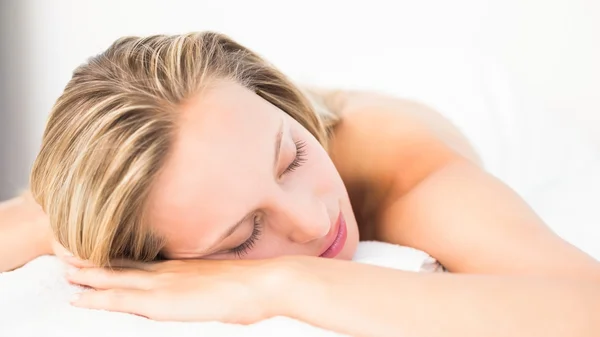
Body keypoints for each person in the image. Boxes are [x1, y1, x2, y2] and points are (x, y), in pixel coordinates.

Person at [0, 31, 599, 337]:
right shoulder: (106, 198)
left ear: (281, 104)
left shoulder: (409, 177)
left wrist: (282, 280)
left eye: (291, 160)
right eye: (242, 235)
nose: (314, 221)